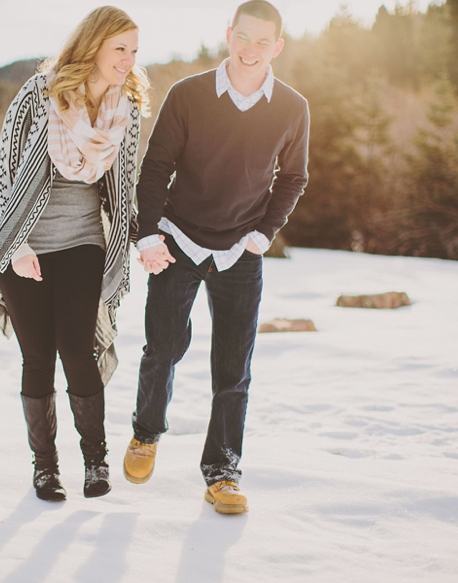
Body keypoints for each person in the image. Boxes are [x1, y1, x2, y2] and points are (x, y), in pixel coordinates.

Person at [122, 0, 309, 514]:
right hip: (178, 238)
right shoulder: (189, 95)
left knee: (234, 367)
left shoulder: (293, 107)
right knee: (162, 347)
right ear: (229, 34)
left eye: (262, 41)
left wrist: (263, 234)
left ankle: (223, 471)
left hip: (240, 252)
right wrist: (147, 236)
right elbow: (156, 167)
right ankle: (146, 433)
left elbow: (294, 177)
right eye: (242, 37)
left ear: (277, 47)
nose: (250, 50)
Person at [0, 6, 148, 502]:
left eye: (134, 51)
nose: (128, 59)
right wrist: (16, 244)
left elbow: (126, 186)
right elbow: (7, 168)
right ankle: (45, 469)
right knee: (36, 358)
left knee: (77, 349)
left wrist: (139, 236)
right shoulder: (40, 93)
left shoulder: (127, 108)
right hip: (23, 242)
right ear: (93, 45)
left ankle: (95, 464)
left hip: (83, 241)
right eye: (120, 48)